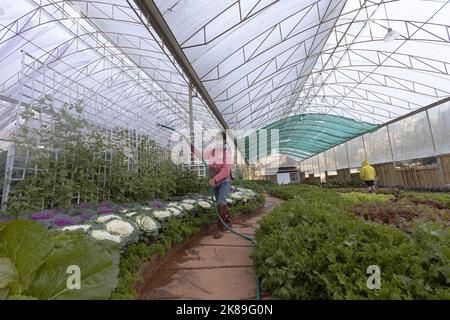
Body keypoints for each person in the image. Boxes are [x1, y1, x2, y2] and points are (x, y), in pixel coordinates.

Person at [192, 131, 233, 239]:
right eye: (216, 139)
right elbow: (199, 154)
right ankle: (228, 221)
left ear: (224, 141)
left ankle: (220, 228)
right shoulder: (212, 152)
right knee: (220, 202)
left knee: (221, 202)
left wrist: (214, 179)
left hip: (223, 181)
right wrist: (190, 145)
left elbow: (226, 170)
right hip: (214, 182)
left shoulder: (226, 153)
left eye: (220, 139)